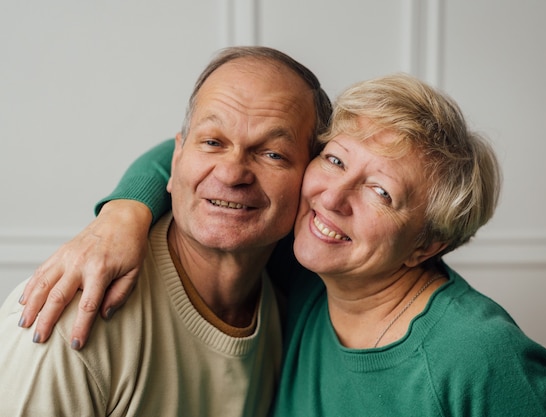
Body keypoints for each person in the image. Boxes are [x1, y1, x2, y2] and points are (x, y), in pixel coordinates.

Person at [14, 72, 546, 415]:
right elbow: (201, 154)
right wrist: (121, 216)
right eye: (333, 159)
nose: (331, 198)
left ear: (425, 245)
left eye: (381, 192)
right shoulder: (303, 272)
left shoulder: (476, 357)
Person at [0, 45, 332, 416]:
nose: (231, 173)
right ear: (175, 161)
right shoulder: (67, 323)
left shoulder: (291, 302)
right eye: (212, 142)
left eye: (273, 154)